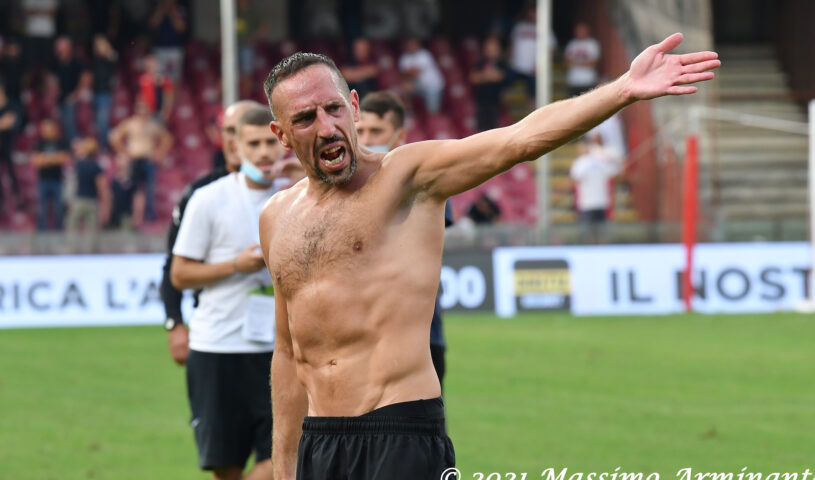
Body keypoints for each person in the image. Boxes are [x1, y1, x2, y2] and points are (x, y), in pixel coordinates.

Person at [260, 34, 719, 479]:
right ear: (281, 134)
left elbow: (519, 139)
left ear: (354, 106)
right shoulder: (276, 218)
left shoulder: (407, 177)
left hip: (400, 432)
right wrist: (284, 465)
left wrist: (622, 90)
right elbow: (288, 353)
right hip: (320, 441)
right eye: (305, 119)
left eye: (334, 108)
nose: (326, 127)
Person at [170, 106, 288, 480]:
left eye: (271, 141)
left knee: (284, 457)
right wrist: (236, 266)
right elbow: (180, 274)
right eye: (253, 143)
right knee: (225, 467)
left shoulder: (297, 195)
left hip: (279, 350)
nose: (264, 152)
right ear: (235, 148)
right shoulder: (207, 199)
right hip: (217, 348)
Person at [357, 90, 452, 387]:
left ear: (399, 136)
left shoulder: (423, 184)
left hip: (419, 335)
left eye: (376, 131)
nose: (366, 138)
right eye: (360, 130)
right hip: (360, 335)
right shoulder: (344, 185)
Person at [161, 99, 260, 365]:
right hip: (217, 332)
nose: (236, 138)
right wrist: (175, 322)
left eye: (244, 129)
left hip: (278, 336)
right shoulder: (200, 194)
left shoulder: (289, 189)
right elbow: (174, 265)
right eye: (230, 130)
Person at [109, 99, 173, 226]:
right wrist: (124, 152)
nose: (143, 111)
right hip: (134, 158)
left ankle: (148, 215)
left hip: (148, 159)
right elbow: (115, 137)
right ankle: (131, 215)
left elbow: (167, 139)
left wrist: (159, 154)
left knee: (149, 188)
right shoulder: (130, 124)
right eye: (141, 108)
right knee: (132, 188)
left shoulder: (153, 125)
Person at [570, 133, 622, 244]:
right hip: (601, 202)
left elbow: (574, 180)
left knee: (588, 235)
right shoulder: (600, 160)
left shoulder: (580, 163)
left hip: (587, 204)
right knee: (601, 235)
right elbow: (614, 174)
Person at [66, 136, 110, 253]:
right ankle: (91, 253)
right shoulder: (96, 167)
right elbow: (102, 187)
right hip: (91, 201)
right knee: (92, 231)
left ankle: (71, 250)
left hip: (78, 200)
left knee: (72, 228)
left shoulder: (78, 164)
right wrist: (105, 204)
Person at [508, 1, 556, 101]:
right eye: (531, 13)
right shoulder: (519, 27)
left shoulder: (545, 29)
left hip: (533, 70)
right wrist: (509, 60)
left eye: (535, 13)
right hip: (516, 67)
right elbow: (512, 46)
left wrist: (541, 66)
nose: (532, 15)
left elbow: (551, 50)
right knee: (502, 87)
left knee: (533, 97)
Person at [32, 118, 70, 230]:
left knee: (59, 209)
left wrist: (46, 159)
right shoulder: (40, 143)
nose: (45, 131)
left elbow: (65, 158)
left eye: (47, 128)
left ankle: (59, 231)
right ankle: (42, 232)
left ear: (54, 129)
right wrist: (54, 158)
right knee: (42, 209)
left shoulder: (61, 142)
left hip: (57, 180)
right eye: (43, 129)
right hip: (43, 180)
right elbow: (36, 161)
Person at [469, 36, 507, 131]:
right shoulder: (481, 62)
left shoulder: (501, 63)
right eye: (489, 48)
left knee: (494, 130)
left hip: (495, 102)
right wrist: (490, 76)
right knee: (480, 130)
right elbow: (473, 78)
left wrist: (483, 76)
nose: (491, 51)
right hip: (481, 101)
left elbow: (499, 76)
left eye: (494, 48)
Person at [399, 37, 445, 114]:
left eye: (413, 44)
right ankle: (409, 112)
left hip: (432, 86)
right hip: (418, 86)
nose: (411, 46)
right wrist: (407, 77)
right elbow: (403, 75)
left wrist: (407, 73)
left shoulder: (424, 54)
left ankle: (433, 119)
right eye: (409, 44)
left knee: (432, 111)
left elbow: (415, 72)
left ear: (418, 45)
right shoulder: (405, 57)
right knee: (405, 87)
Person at [53, 36, 83, 142]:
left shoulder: (75, 62)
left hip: (71, 98)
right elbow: (53, 79)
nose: (58, 49)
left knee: (70, 124)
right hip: (60, 97)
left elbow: (83, 79)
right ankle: (64, 145)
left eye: (61, 46)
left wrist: (75, 94)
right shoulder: (56, 62)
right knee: (61, 125)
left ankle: (72, 146)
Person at [148, 0, 187, 84]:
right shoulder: (158, 9)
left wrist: (172, 12)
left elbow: (181, 28)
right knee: (158, 77)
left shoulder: (180, 10)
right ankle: (159, 96)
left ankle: (173, 97)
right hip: (160, 48)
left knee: (174, 78)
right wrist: (161, 11)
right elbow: (152, 24)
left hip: (174, 49)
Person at [91, 35, 118, 148]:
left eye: (101, 45)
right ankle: (101, 145)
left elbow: (114, 57)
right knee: (97, 123)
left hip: (105, 93)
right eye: (98, 46)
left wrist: (106, 47)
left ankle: (105, 146)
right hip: (95, 93)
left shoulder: (109, 58)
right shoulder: (94, 60)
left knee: (103, 122)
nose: (99, 47)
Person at [0, 81, 23, 211]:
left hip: (9, 146)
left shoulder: (11, 105)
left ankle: (17, 198)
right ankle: (1, 202)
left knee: (11, 173)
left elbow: (11, 122)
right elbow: (5, 123)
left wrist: (3, 123)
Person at [565, 22, 601, 98]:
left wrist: (575, 62)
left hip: (588, 80)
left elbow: (593, 63)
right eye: (578, 30)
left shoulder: (592, 44)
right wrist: (584, 63)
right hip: (573, 81)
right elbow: (567, 62)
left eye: (582, 30)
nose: (580, 32)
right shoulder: (572, 44)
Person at [138, 54, 175, 122]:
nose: (150, 66)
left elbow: (169, 96)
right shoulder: (143, 79)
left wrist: (166, 111)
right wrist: (141, 110)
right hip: (147, 112)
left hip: (159, 112)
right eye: (148, 64)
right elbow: (141, 96)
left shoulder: (163, 79)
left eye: (152, 64)